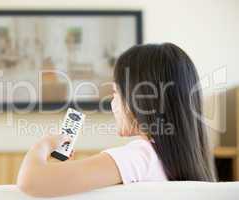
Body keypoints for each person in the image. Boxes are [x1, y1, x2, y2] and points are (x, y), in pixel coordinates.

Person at [17, 43, 216, 197]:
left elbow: (30, 182)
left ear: (140, 100)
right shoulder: (183, 159)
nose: (112, 102)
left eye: (114, 92)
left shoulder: (139, 156)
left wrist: (43, 145)